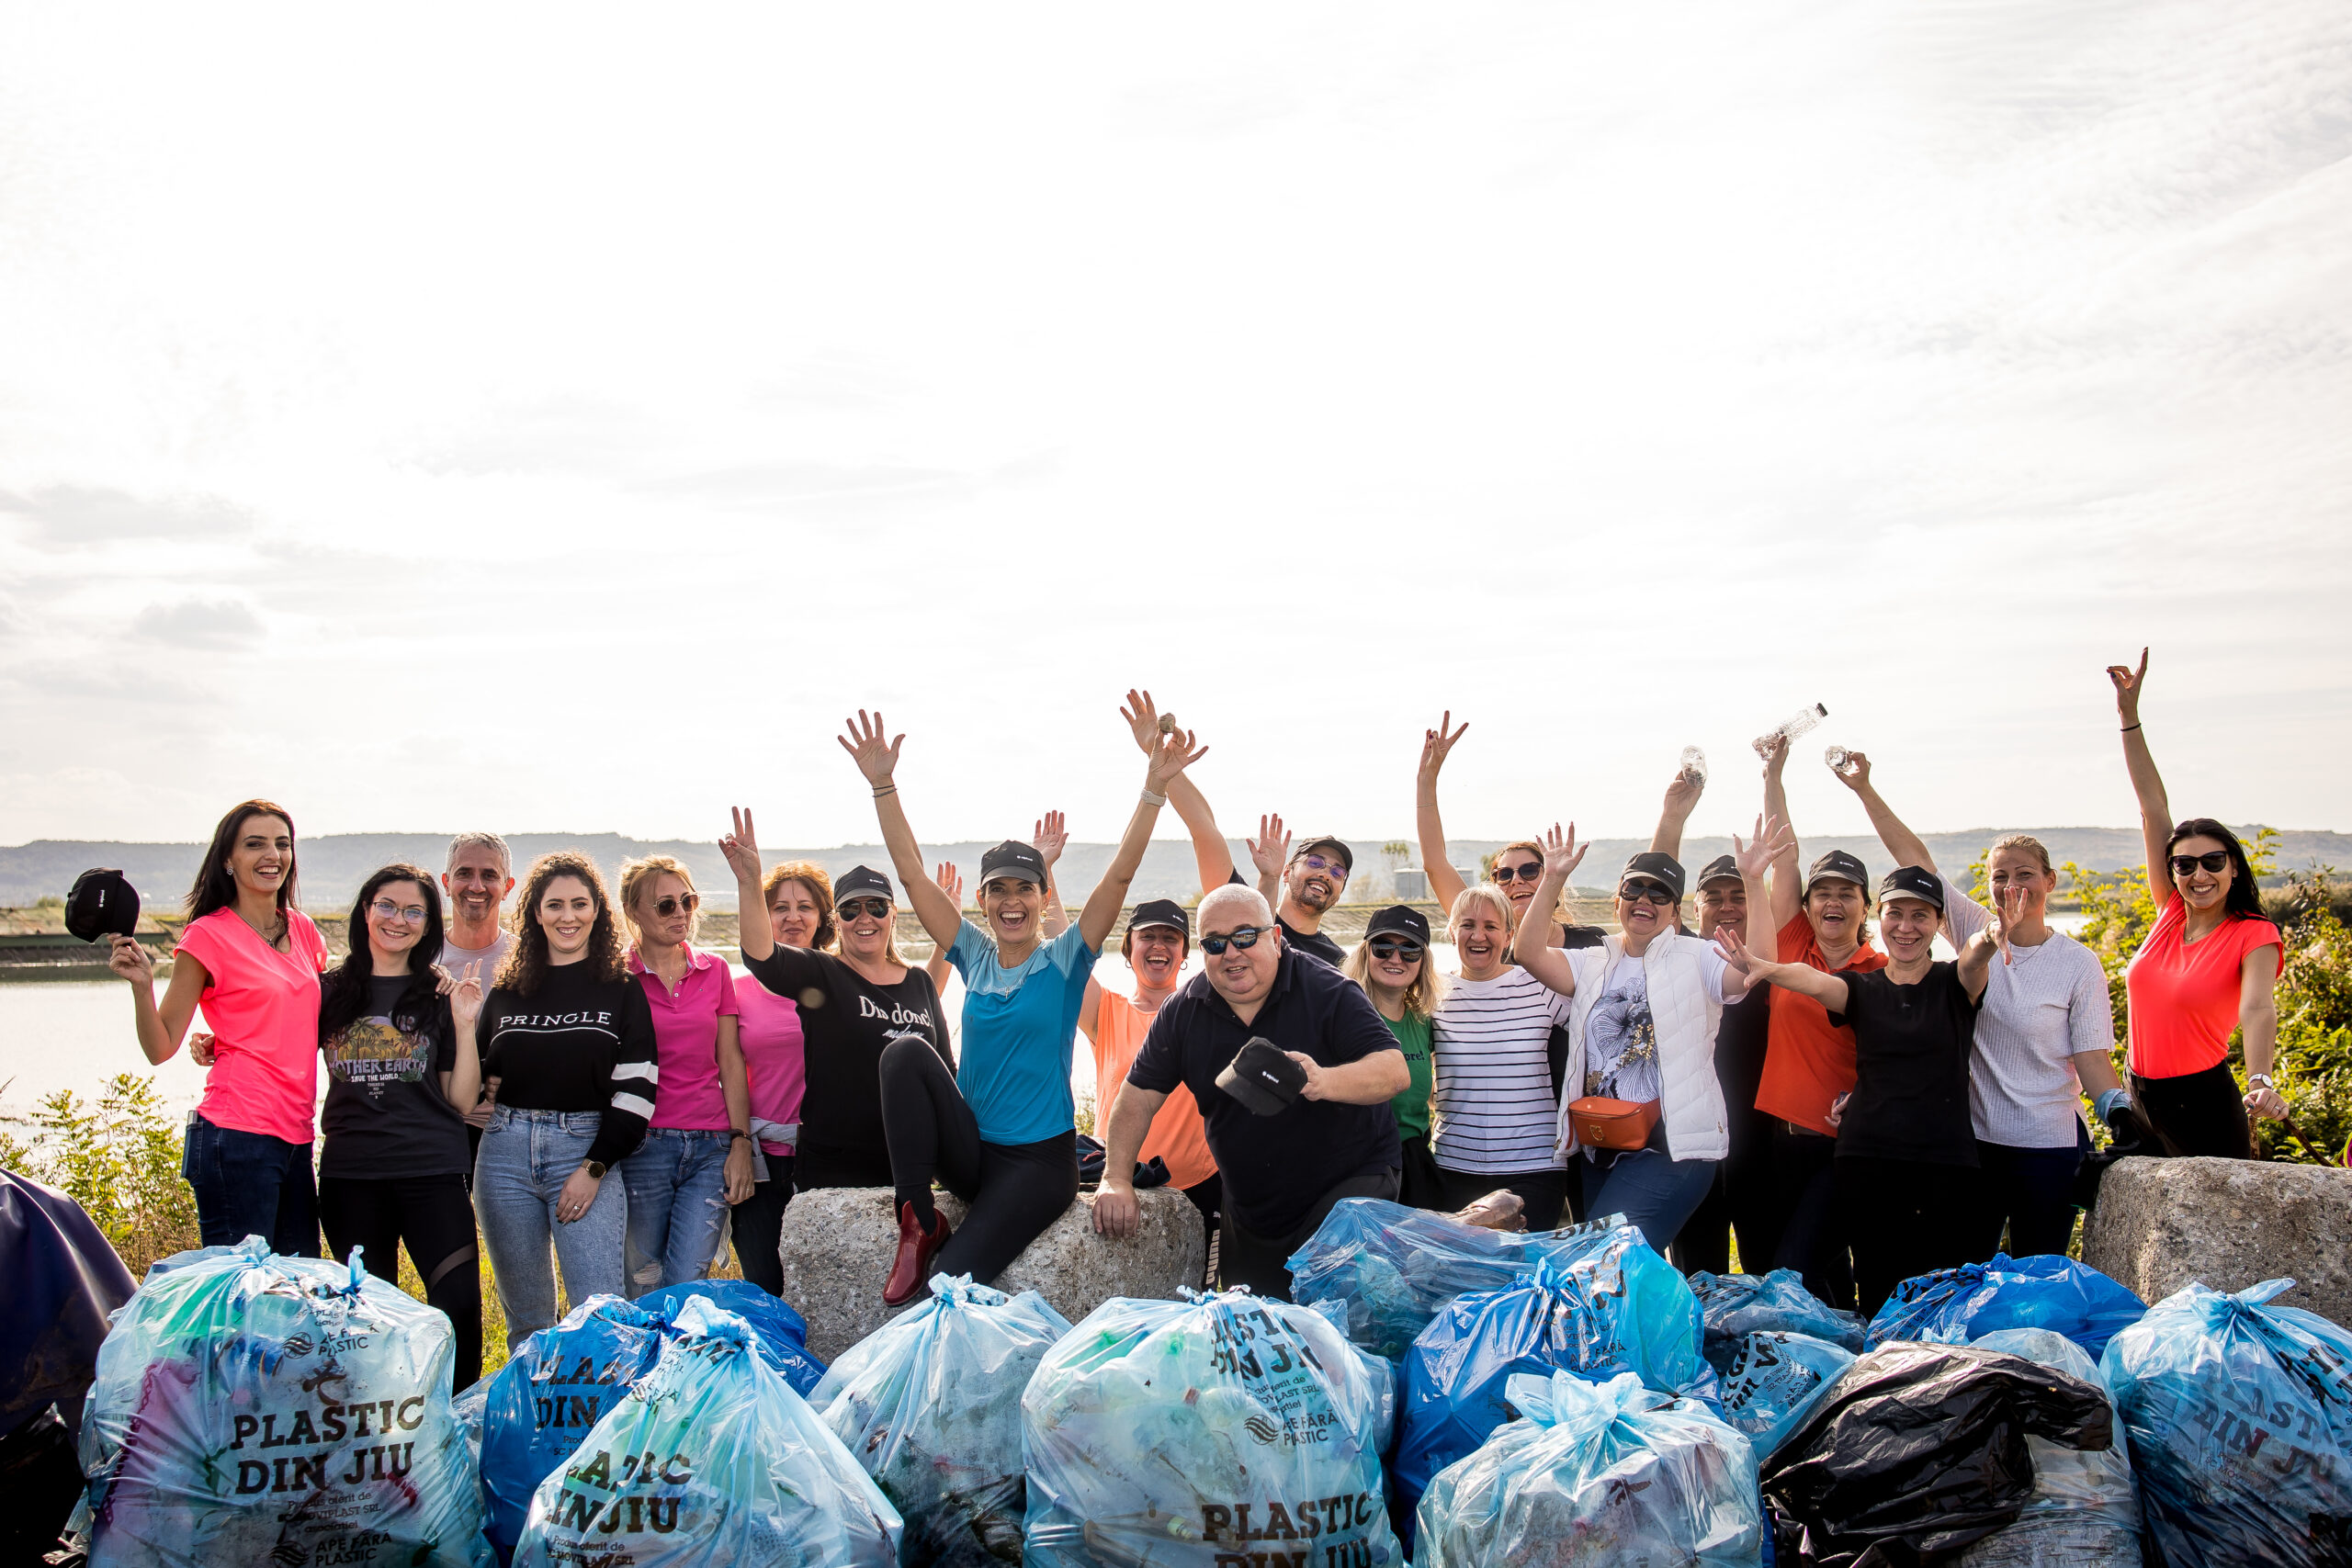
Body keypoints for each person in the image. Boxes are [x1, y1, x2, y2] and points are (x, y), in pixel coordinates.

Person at [839, 705, 1205, 1305]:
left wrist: (1154, 789)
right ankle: (918, 1217)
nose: (1012, 902)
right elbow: (909, 873)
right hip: (972, 1149)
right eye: (999, 891)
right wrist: (884, 784)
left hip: (1035, 1165)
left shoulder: (1064, 961)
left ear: (1041, 896)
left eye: (1024, 889)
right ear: (983, 901)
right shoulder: (972, 954)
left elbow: (1116, 879)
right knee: (904, 1052)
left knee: (945, 1287)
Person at [1838, 751, 2124, 1258]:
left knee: (2039, 1273)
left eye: (2025, 874)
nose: (2011, 886)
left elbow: (2092, 1058)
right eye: (1999, 877)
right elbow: (1915, 859)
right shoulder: (1975, 930)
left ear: (2050, 881)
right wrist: (1864, 789)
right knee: (1969, 1276)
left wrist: (2117, 1110)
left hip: (2050, 1149)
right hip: (1976, 1147)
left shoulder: (2078, 964)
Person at [1095, 885, 1409, 1300]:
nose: (1231, 953)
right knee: (1258, 1327)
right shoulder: (1183, 1011)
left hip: (1347, 1182)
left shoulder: (1328, 991)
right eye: (1215, 942)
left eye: (1246, 937)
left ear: (1276, 939)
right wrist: (1115, 1178)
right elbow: (1137, 1097)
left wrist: (1322, 1081)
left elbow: (1393, 1071)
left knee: (1335, 1310)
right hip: (1251, 1206)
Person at [1720, 863, 1996, 1317]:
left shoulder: (1953, 983)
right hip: (1868, 1162)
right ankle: (1863, 1376)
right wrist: (1765, 968)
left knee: (1939, 1295)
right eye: (1896, 914)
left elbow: (1973, 955)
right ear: (1881, 917)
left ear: (1937, 923)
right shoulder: (1862, 987)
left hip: (1943, 1166)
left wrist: (1993, 932)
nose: (1906, 927)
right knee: (1873, 1292)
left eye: (1920, 916)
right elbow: (1813, 981)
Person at [1511, 829, 1751, 1254]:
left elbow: (1748, 971)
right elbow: (1528, 951)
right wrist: (1551, 878)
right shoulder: (1593, 961)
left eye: (1660, 894)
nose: (1645, 899)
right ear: (1616, 901)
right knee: (1614, 1274)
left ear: (1676, 911)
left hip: (1671, 1149)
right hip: (1602, 1143)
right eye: (1634, 888)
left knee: (1601, 1260)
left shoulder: (1699, 958)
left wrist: (1754, 879)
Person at [107, 799, 325, 1256]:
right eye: (255, 844)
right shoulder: (208, 935)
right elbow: (160, 1045)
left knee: (297, 1300)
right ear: (228, 858)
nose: (273, 855)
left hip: (297, 1136)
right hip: (236, 1135)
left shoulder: (304, 931)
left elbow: (309, 1020)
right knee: (240, 1302)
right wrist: (143, 986)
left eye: (282, 844)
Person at [474, 852, 657, 1350]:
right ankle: (533, 1423)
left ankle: (601, 1427)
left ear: (598, 911)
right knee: (528, 1319)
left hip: (583, 1152)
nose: (568, 916)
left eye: (580, 903)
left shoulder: (621, 990)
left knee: (600, 1314)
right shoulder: (508, 992)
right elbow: (476, 1081)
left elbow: (638, 1093)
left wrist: (593, 1167)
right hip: (503, 1158)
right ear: (535, 913)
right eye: (554, 905)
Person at [2109, 649, 2287, 1157]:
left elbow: (2257, 1006)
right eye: (2184, 865)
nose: (2198, 874)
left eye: (2212, 862)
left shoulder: (2255, 933)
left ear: (2235, 867)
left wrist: (2260, 1077)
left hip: (2202, 1101)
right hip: (2140, 1093)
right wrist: (2128, 717)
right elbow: (2152, 807)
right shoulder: (2169, 912)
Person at [719, 819, 956, 1196]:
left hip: (908, 1166)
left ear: (893, 915)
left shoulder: (918, 983)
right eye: (850, 910)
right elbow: (762, 958)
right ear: (837, 920)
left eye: (877, 907)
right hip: (834, 1168)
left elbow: (946, 1072)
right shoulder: (822, 973)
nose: (865, 918)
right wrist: (749, 882)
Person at [315, 864, 483, 1389]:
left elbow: (461, 1099)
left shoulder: (438, 993)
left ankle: (454, 1432)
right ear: (366, 911)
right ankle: (381, 1443)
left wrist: (463, 1021)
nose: (399, 920)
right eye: (387, 905)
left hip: (432, 1171)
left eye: (415, 911)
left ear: (428, 924)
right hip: (351, 1177)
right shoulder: (326, 992)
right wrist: (217, 1046)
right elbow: (275, 1050)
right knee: (365, 1322)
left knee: (457, 1311)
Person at [1119, 690, 1347, 965]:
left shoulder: (1341, 963)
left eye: (1337, 871)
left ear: (1340, 890)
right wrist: (1160, 763)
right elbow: (1204, 829)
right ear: (1287, 872)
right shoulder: (1238, 911)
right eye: (1315, 861)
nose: (1325, 873)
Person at [616, 857, 755, 1295]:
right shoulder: (616, 976)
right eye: (665, 905)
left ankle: (679, 1363)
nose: (680, 913)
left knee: (687, 1286)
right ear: (634, 911)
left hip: (710, 1147)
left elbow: (731, 1060)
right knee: (642, 1283)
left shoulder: (714, 970)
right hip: (641, 1145)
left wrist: (740, 1142)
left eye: (687, 901)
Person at [1425, 879, 1580, 1226]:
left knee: (1521, 1272)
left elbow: (1599, 1031)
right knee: (1465, 1275)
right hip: (1454, 1166)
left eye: (1490, 927)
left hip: (1536, 1167)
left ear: (1509, 936)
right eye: (1467, 925)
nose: (1478, 936)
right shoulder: (1432, 993)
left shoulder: (1540, 985)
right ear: (1452, 932)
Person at [1078, 897, 1222, 1255]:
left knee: (1195, 1300)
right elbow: (1068, 955)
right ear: (1129, 949)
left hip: (1200, 1185)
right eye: (1148, 936)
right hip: (1118, 1181)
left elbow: (1245, 946)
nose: (1159, 945)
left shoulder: (1206, 1010)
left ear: (1185, 952)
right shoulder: (1106, 1011)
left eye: (1171, 938)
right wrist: (1046, 876)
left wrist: (1266, 880)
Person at [1667, 851, 1779, 1276]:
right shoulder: (1677, 957)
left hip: (1761, 1142)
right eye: (1714, 896)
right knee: (1696, 1273)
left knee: (1766, 1270)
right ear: (1694, 907)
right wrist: (1674, 814)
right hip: (1695, 1142)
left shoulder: (1775, 963)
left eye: (1739, 895)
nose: (1727, 905)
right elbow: (1655, 885)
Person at [1415, 712, 1613, 951]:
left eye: (1529, 871)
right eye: (1505, 874)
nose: (1516, 881)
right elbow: (1435, 864)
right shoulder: (1488, 944)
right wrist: (1427, 779)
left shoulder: (1592, 942)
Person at [726, 858, 824, 1295]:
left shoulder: (843, 981)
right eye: (779, 907)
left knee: (824, 1290)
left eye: (805, 906)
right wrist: (739, 1144)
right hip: (759, 1162)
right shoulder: (736, 990)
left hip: (826, 1159)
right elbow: (722, 1075)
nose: (792, 917)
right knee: (765, 1286)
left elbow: (915, 1003)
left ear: (822, 918)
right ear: (762, 917)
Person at [1340, 904, 1445, 1208]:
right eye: (1383, 947)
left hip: (1415, 1164)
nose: (1396, 958)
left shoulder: (1424, 1020)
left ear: (1423, 960)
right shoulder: (1343, 1017)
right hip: (1360, 1169)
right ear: (1365, 953)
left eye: (1409, 949)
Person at [440, 832, 515, 1162]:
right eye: (464, 874)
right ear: (445, 882)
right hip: (440, 1130)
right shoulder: (423, 960)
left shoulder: (528, 959)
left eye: (489, 875)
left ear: (508, 886)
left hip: (512, 1133)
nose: (476, 886)